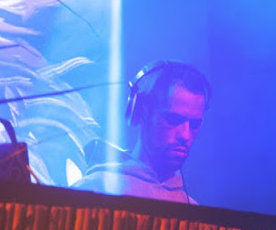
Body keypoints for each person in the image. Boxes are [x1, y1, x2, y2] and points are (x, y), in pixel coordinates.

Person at [72, 60, 210, 204]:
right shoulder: (92, 191)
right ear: (140, 112)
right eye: (173, 119)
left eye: (195, 124)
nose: (185, 135)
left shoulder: (191, 207)